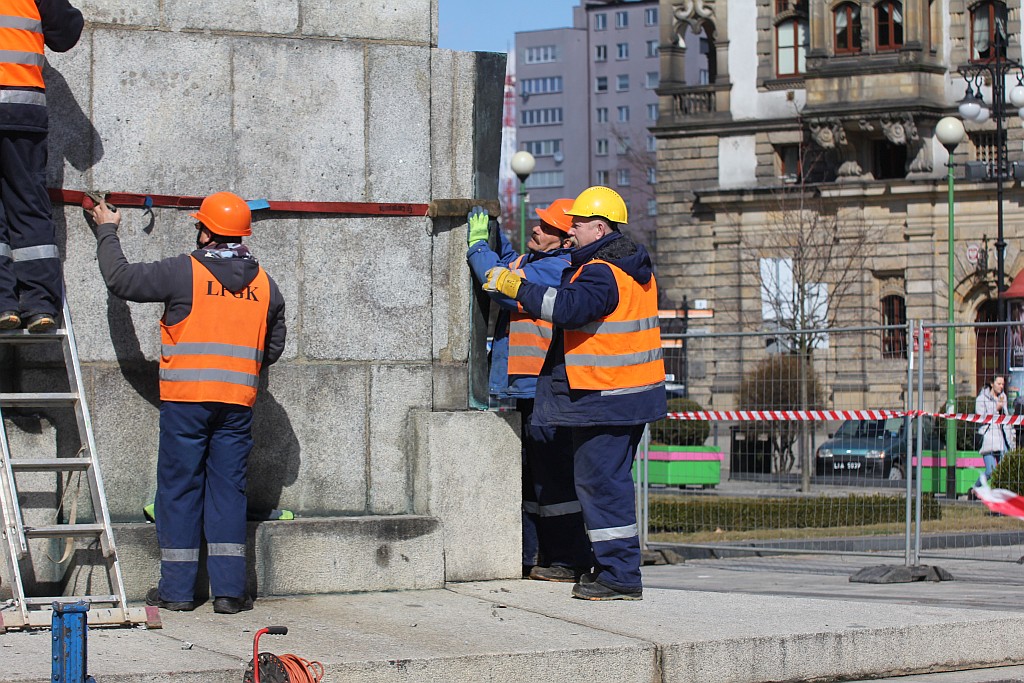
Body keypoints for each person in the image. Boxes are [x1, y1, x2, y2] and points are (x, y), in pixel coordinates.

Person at [85, 192, 286, 614]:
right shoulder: (267, 285)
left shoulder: (185, 272)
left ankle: (177, 593)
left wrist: (107, 230)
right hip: (237, 403)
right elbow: (273, 347)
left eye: (200, 226)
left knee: (179, 490)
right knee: (228, 492)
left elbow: (121, 279)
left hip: (186, 402)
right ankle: (229, 593)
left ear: (208, 231)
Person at [482, 186, 667, 601]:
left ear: (599, 227)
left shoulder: (602, 270)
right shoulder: (631, 267)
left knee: (601, 483)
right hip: (626, 395)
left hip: (604, 395)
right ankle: (615, 569)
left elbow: (567, 309)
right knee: (608, 481)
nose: (571, 233)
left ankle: (619, 575)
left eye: (578, 225)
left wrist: (516, 286)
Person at [466, 199, 591, 582]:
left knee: (553, 478)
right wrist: (492, 226)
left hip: (544, 388)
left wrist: (476, 247)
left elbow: (500, 284)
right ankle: (536, 554)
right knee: (535, 478)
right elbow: (508, 261)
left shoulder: (559, 268)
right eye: (538, 223)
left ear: (566, 239)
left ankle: (568, 560)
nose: (536, 229)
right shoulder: (536, 261)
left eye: (546, 227)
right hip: (527, 388)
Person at [0, 0, 83, 332]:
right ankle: (39, 305)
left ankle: (4, 304)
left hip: (22, 109)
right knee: (29, 206)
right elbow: (66, 32)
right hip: (22, 110)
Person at [974, 375, 1015, 490]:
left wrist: (1011, 436)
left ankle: (1000, 495)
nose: (1001, 387)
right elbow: (981, 417)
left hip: (1002, 439)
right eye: (999, 384)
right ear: (992, 384)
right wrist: (996, 408)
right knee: (990, 471)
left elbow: (1006, 419)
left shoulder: (1003, 397)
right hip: (988, 439)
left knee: (1005, 471)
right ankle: (974, 489)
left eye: (1003, 384)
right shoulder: (981, 398)